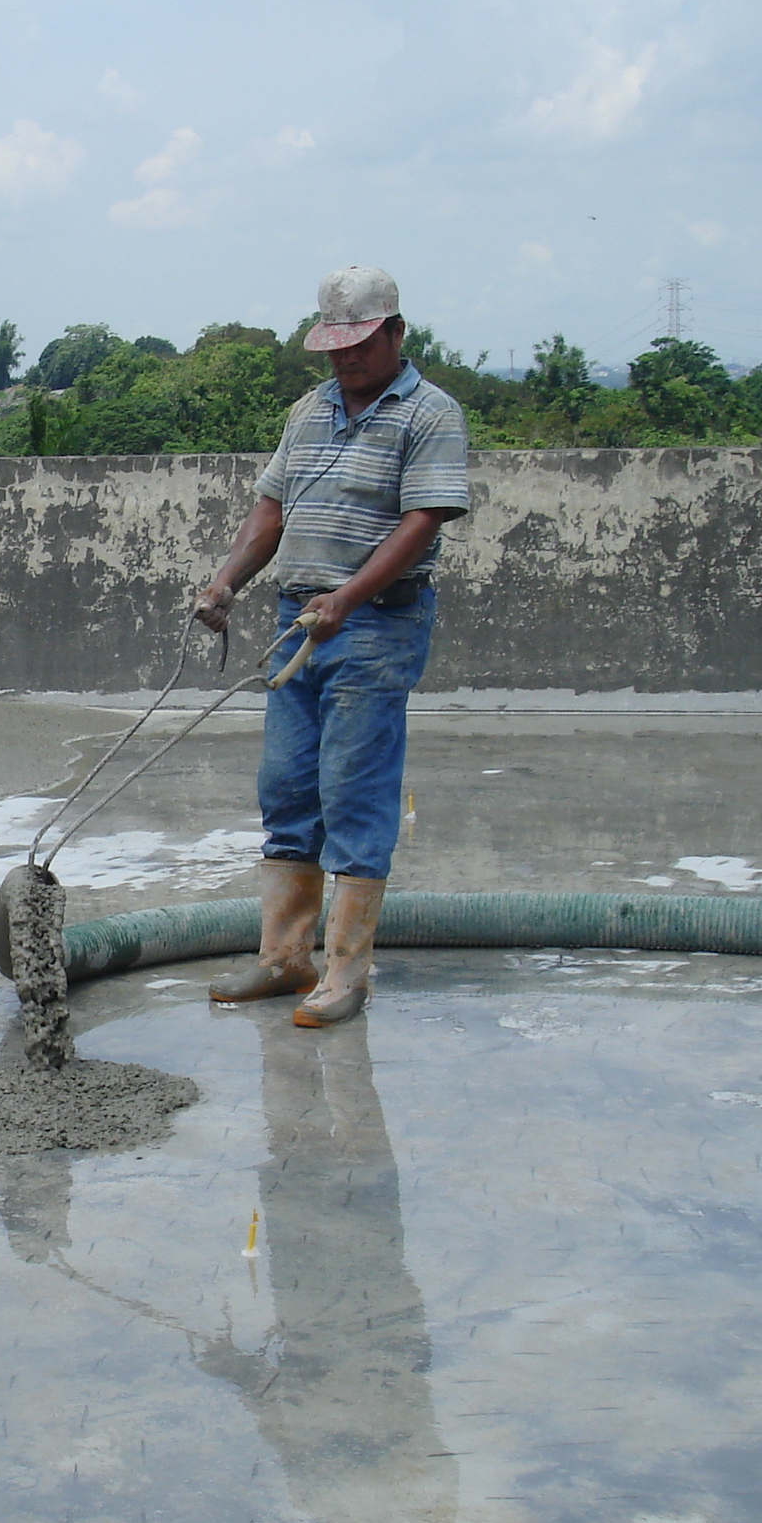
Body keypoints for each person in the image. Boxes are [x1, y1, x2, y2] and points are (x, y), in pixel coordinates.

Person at [192, 265, 469, 1028]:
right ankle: (284, 958)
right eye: (334, 348)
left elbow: (422, 523)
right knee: (286, 790)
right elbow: (272, 510)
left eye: (359, 345)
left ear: (394, 333)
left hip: (375, 625)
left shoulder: (429, 415)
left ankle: (345, 973)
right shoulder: (308, 412)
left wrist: (346, 600)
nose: (345, 360)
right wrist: (225, 584)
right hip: (298, 622)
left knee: (353, 792)